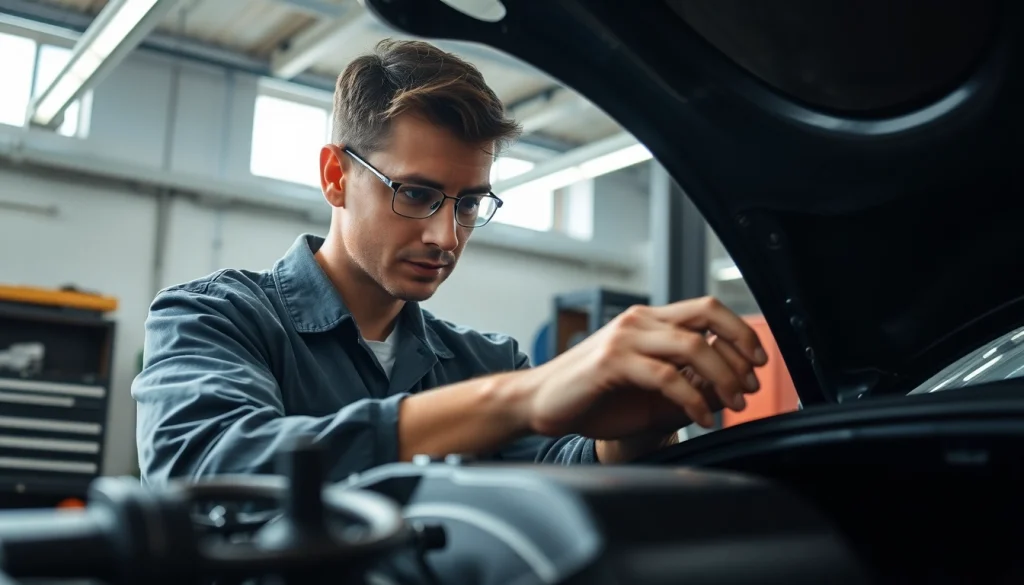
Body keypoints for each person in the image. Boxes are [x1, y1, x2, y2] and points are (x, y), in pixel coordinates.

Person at [132, 39, 766, 487]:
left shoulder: (486, 362)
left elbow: (559, 480)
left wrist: (633, 436)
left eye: (468, 204)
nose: (445, 235)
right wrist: (520, 397)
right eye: (415, 193)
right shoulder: (213, 318)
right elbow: (210, 472)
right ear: (335, 176)